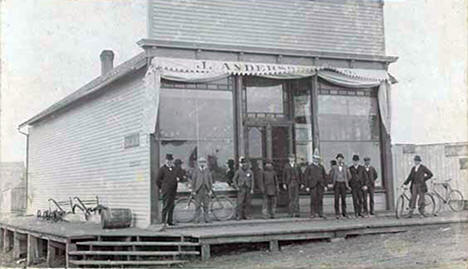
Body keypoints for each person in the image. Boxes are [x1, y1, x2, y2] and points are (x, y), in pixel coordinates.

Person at [156, 154, 178, 230]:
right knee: (165, 205)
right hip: (166, 191)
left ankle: (170, 221)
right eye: (168, 160)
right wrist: (162, 187)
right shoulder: (162, 169)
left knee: (172, 206)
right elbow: (157, 180)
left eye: (170, 160)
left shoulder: (174, 169)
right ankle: (163, 221)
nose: (169, 162)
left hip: (173, 190)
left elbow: (176, 178)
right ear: (165, 161)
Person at [304, 152, 328, 219]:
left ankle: (320, 213)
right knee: (313, 199)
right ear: (313, 159)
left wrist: (325, 185)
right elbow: (306, 177)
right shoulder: (309, 167)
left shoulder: (321, 167)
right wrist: (307, 186)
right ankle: (312, 213)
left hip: (320, 185)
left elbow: (325, 176)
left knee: (320, 199)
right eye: (315, 158)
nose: (316, 160)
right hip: (313, 186)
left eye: (317, 159)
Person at [191, 157, 213, 223]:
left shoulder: (207, 171)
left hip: (206, 190)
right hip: (198, 190)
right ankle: (197, 219)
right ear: (198, 163)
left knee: (206, 205)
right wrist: (193, 190)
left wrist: (210, 190)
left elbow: (210, 181)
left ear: (205, 163)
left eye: (203, 162)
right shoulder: (196, 171)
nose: (202, 163)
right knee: (197, 206)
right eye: (200, 162)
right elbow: (193, 182)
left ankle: (207, 219)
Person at [329, 153, 351, 219]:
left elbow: (349, 176)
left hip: (343, 184)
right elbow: (331, 175)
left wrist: (346, 181)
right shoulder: (334, 167)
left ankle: (344, 212)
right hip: (337, 184)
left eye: (341, 158)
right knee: (336, 199)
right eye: (338, 158)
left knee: (343, 199)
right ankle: (337, 213)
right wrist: (333, 182)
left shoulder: (346, 167)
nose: (340, 159)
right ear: (337, 159)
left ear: (343, 159)